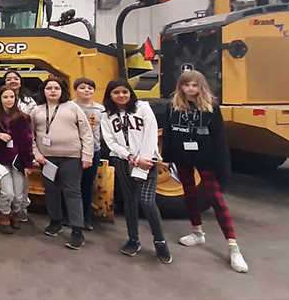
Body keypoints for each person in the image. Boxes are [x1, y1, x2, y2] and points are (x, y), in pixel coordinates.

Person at [161, 70, 248, 273]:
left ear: (201, 86)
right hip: (182, 157)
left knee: (215, 198)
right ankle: (197, 232)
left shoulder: (211, 107)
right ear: (180, 87)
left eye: (194, 85)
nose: (190, 89)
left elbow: (219, 139)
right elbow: (168, 133)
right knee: (189, 194)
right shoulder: (173, 106)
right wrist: (167, 158)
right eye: (186, 85)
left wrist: (221, 165)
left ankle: (233, 247)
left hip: (206, 159)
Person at [101, 79, 172, 264]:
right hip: (123, 161)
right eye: (116, 92)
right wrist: (131, 157)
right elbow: (111, 142)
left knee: (147, 201)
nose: (121, 95)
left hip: (147, 160)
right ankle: (133, 239)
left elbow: (151, 135)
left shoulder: (143, 108)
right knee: (130, 200)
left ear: (130, 93)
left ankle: (160, 241)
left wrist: (142, 161)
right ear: (110, 95)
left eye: (125, 92)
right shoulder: (106, 115)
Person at [32, 77, 93, 250]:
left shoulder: (73, 108)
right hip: (47, 159)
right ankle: (55, 222)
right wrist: (37, 155)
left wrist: (87, 156)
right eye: (49, 88)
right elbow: (31, 136)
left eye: (56, 88)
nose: (52, 91)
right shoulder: (36, 111)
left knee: (72, 192)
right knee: (51, 191)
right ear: (43, 91)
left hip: (71, 158)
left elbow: (86, 133)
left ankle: (77, 230)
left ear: (62, 91)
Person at [0, 86, 34, 234]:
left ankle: (15, 214)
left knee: (19, 194)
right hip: (0, 159)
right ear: (0, 99)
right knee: (7, 192)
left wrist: (28, 163)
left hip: (18, 160)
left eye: (11, 97)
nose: (9, 100)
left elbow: (27, 141)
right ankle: (3, 216)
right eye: (5, 97)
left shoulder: (23, 118)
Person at [72, 77, 104, 230]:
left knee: (88, 184)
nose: (86, 90)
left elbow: (103, 131)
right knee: (71, 185)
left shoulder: (100, 110)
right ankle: (70, 216)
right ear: (75, 90)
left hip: (93, 151)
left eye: (90, 88)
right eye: (82, 87)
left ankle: (85, 217)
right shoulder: (69, 107)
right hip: (73, 151)